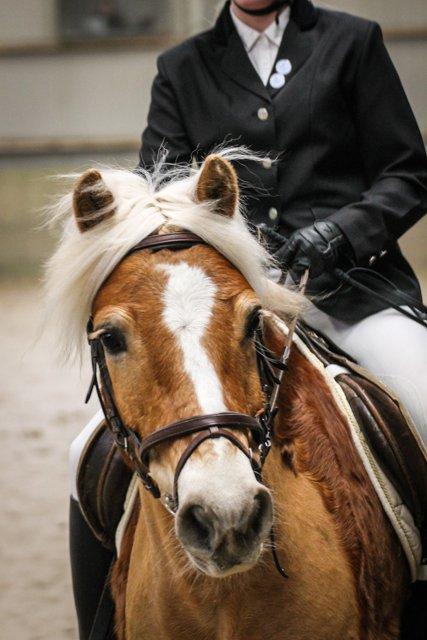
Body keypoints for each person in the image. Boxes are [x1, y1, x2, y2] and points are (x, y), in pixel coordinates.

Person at [69, 1, 427, 638]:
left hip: (350, 289)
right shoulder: (182, 67)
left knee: (426, 403)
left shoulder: (353, 43)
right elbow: (158, 198)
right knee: (86, 450)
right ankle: (101, 621)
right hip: (221, 305)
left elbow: (408, 172)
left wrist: (341, 233)